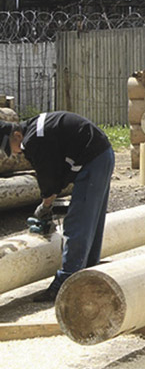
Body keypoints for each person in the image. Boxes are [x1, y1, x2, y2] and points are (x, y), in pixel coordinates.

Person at [0, 111, 114, 303]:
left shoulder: (35, 140)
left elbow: (49, 177)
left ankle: (65, 282)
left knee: (78, 222)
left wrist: (45, 205)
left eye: (12, 147)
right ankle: (89, 270)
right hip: (100, 155)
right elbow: (57, 172)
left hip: (93, 158)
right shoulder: (35, 129)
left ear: (16, 135)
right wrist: (48, 200)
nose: (16, 153)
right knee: (92, 219)